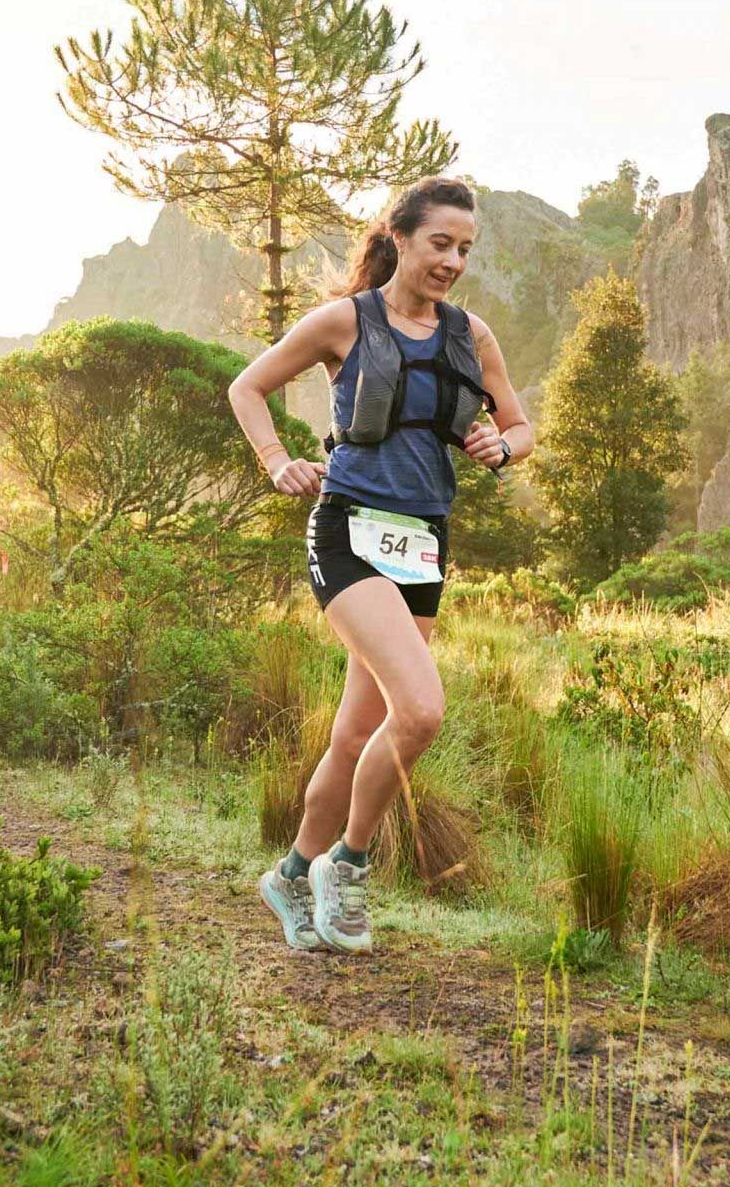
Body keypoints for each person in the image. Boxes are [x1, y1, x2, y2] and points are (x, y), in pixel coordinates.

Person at [225, 176, 531, 954]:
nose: (454, 261)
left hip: (422, 544)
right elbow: (248, 387)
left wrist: (501, 446)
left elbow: (521, 427)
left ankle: (291, 873)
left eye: (465, 250)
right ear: (400, 237)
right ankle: (350, 864)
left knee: (357, 732)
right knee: (421, 711)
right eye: (441, 244)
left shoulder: (472, 336)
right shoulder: (345, 322)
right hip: (348, 533)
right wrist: (276, 460)